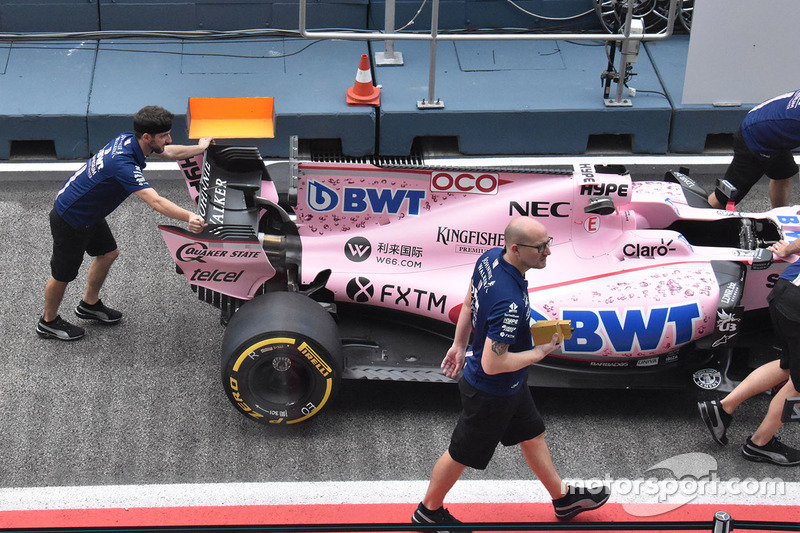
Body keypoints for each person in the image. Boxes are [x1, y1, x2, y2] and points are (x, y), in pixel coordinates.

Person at [412, 217, 610, 531]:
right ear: (516, 249)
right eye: (540, 247)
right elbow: (494, 363)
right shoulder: (509, 304)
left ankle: (563, 500)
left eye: (548, 242)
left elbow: (468, 303)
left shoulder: (490, 258)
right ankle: (428, 511)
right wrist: (541, 352)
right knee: (460, 453)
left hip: (510, 383)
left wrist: (459, 345)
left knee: (532, 433)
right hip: (492, 389)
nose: (548, 252)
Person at [36, 105, 214, 341]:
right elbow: (156, 201)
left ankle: (89, 304)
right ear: (147, 137)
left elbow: (168, 152)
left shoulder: (130, 140)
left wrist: (200, 148)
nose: (169, 139)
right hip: (72, 219)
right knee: (63, 275)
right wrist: (189, 216)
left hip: (90, 214)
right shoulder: (122, 164)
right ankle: (48, 321)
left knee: (108, 253)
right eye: (164, 136)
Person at [698, 238, 800, 466]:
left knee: (789, 364)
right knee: (797, 384)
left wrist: (787, 249)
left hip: (784, 291)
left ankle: (724, 407)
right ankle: (759, 445)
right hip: (797, 307)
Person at [708, 90, 800, 209]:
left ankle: (781, 219)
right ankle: (694, 224)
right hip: (756, 137)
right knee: (723, 198)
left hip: (769, 121)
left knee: (783, 174)